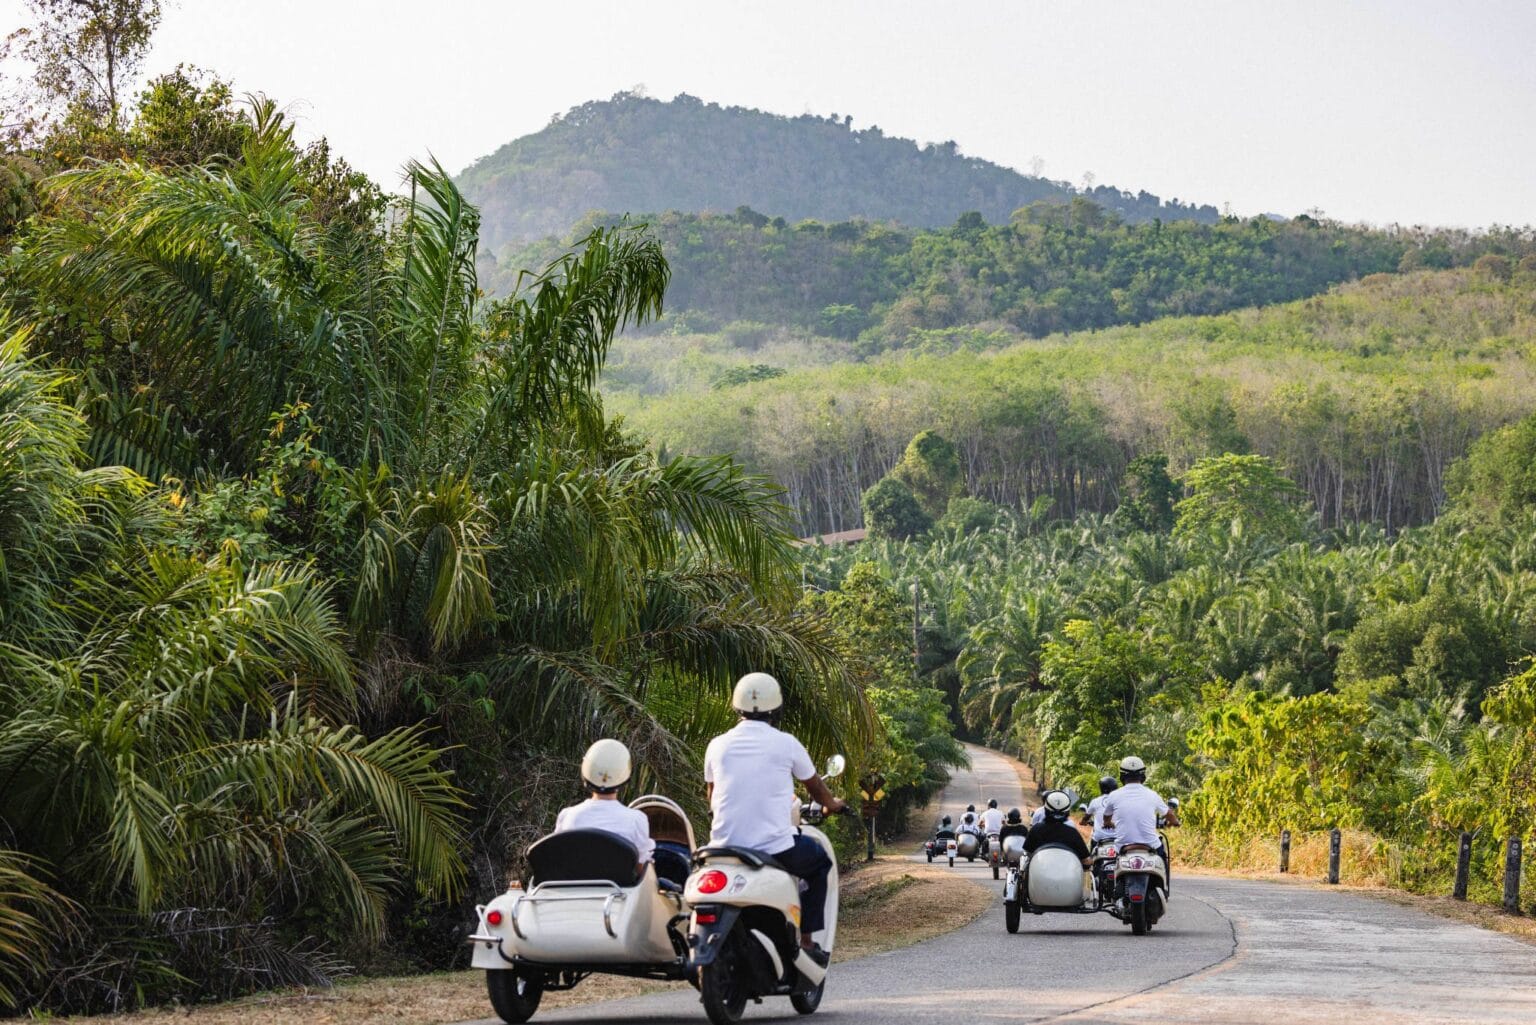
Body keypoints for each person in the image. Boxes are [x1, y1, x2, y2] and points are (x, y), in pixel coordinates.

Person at [704, 672, 847, 957]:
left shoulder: (716, 745)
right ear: (777, 708)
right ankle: (806, 941)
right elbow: (816, 787)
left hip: (723, 847)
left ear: (736, 706)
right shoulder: (787, 743)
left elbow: (711, 795)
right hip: (774, 847)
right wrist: (833, 803)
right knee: (819, 863)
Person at [553, 739, 655, 877]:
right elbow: (641, 870)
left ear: (585, 774)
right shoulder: (637, 820)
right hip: (620, 893)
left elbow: (559, 858)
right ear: (626, 777)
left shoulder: (567, 816)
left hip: (572, 893)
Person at [1100, 756, 1179, 881]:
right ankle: (1163, 885)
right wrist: (1175, 822)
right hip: (1150, 844)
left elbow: (1106, 816)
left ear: (1122, 776)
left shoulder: (1114, 795)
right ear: (1143, 775)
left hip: (1123, 845)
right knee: (1162, 855)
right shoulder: (1152, 795)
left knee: (1111, 864)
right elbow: (1169, 813)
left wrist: (1108, 823)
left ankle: (1113, 885)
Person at [1023, 790, 1092, 866]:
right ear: (1067, 812)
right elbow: (1086, 860)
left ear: (1045, 810)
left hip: (1039, 871)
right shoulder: (1072, 832)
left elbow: (1027, 852)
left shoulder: (1036, 829)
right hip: (1066, 875)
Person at [1083, 775, 1119, 847]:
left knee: (1091, 855)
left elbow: (1086, 817)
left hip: (1099, 838)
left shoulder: (1095, 801)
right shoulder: (1120, 800)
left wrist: (1083, 822)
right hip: (1118, 837)